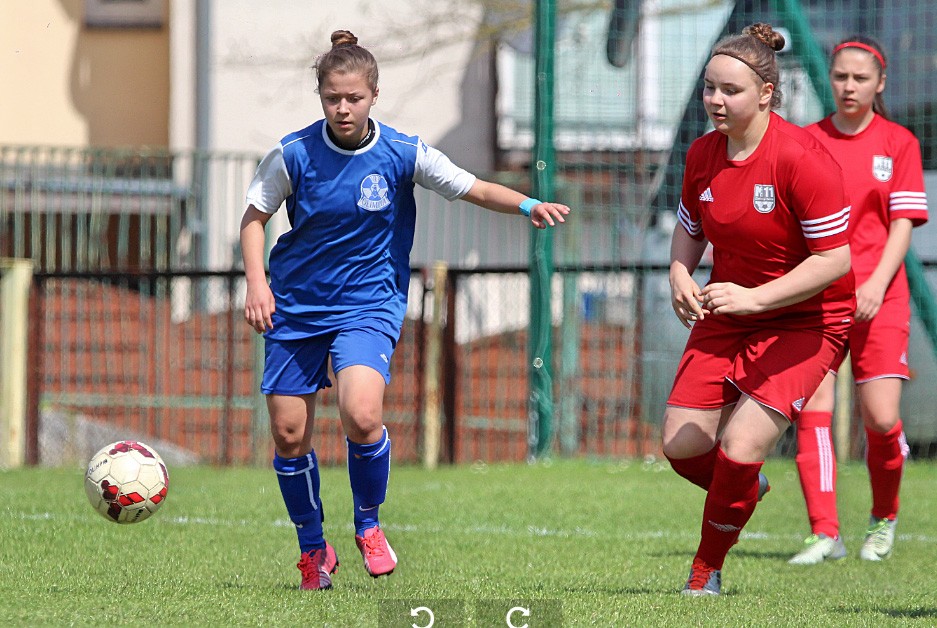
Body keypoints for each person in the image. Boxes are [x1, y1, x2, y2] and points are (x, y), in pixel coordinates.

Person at [239, 30, 570, 591]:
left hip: (368, 304)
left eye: (354, 97)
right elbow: (254, 216)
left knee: (362, 413)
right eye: (332, 98)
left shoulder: (402, 152)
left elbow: (472, 187)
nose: (343, 108)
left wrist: (529, 204)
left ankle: (368, 525)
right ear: (320, 98)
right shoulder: (293, 153)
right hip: (296, 306)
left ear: (374, 95)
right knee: (290, 435)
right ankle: (313, 549)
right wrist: (257, 285)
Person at [662, 23, 855, 596]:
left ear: (767, 93)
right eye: (709, 88)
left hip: (807, 320)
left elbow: (834, 260)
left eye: (731, 90)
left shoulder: (801, 158)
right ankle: (743, 487)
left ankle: (705, 571)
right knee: (681, 446)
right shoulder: (702, 153)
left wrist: (756, 298)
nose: (715, 101)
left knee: (740, 447)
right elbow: (690, 226)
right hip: (729, 312)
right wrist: (679, 271)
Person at [788, 35, 928, 566]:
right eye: (840, 77)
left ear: (880, 83)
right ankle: (824, 533)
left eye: (860, 78)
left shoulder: (899, 142)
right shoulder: (807, 141)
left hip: (880, 298)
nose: (849, 87)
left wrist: (875, 284)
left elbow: (901, 225)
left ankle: (883, 519)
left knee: (881, 418)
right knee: (813, 411)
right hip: (819, 299)